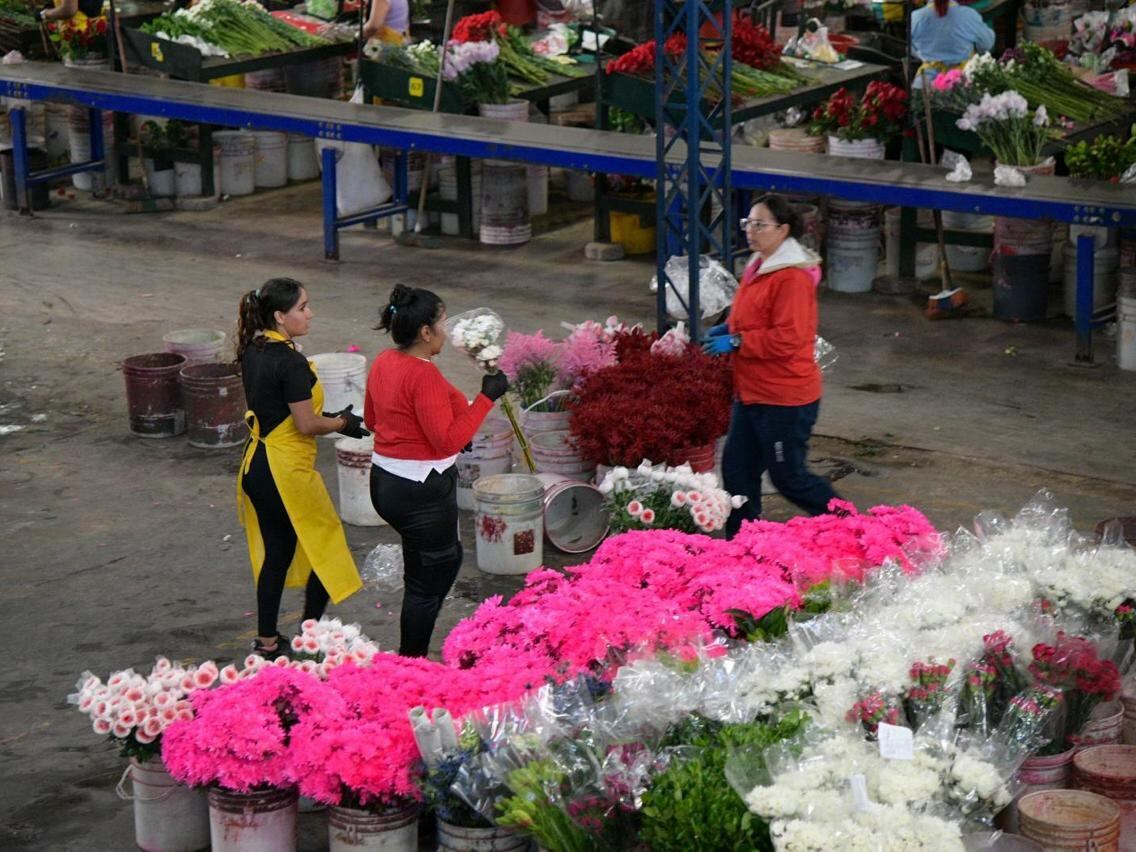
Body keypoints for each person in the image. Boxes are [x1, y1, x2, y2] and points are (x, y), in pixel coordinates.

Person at [364, 284, 508, 658]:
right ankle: (410, 664)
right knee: (430, 582)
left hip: (384, 482)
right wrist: (487, 398)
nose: (448, 331)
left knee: (432, 566)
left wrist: (465, 410)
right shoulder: (422, 374)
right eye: (444, 323)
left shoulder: (385, 361)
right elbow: (446, 441)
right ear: (425, 332)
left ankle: (410, 658)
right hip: (419, 491)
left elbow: (371, 418)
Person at [236, 278, 367, 660]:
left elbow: (281, 413)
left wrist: (331, 419)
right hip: (284, 471)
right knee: (325, 542)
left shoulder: (253, 349)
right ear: (280, 316)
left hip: (255, 464)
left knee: (278, 552)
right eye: (302, 307)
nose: (310, 313)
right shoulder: (290, 361)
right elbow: (306, 424)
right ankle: (310, 630)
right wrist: (342, 422)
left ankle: (267, 641)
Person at [703, 194, 839, 538]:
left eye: (760, 225)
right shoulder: (759, 263)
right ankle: (743, 542)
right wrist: (727, 328)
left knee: (787, 476)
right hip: (751, 392)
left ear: (783, 230)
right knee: (737, 472)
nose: (751, 231)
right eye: (748, 223)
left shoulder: (791, 278)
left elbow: (790, 338)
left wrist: (737, 342)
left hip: (785, 397)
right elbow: (749, 314)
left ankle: (849, 524)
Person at [910, 0, 995, 88]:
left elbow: (912, 50)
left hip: (925, 83)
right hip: (964, 79)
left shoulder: (915, 17)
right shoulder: (968, 15)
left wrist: (931, 57)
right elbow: (987, 44)